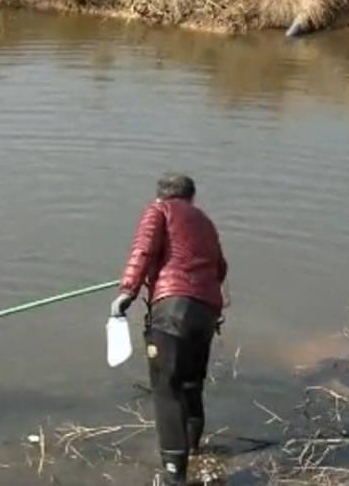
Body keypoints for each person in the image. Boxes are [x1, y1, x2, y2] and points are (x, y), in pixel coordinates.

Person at [110, 173, 228, 486]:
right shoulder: (204, 221)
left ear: (161, 195)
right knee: (191, 384)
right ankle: (193, 449)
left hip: (173, 308)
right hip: (206, 312)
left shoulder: (158, 210)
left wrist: (126, 292)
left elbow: (144, 250)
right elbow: (220, 268)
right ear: (192, 196)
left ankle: (175, 475)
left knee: (167, 389)